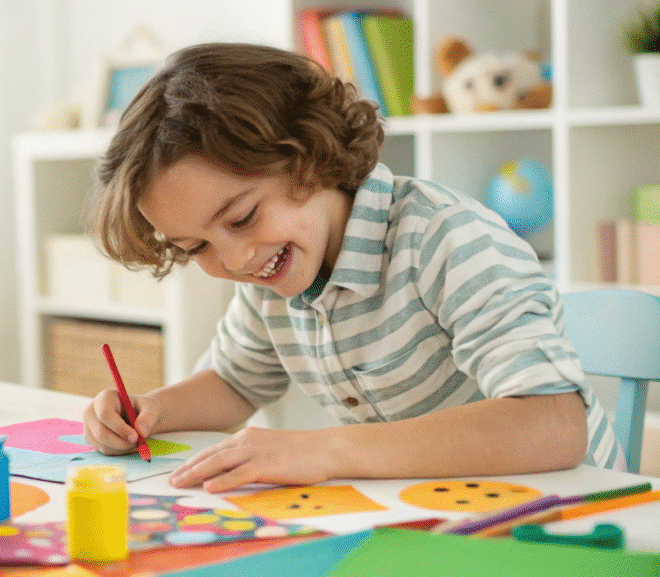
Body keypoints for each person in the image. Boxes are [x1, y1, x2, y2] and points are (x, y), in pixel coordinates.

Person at [81, 42, 622, 494]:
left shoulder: (443, 238)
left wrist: (325, 449)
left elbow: (552, 425)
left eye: (243, 217)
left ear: (309, 152)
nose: (233, 260)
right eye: (195, 246)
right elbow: (233, 382)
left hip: (573, 511)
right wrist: (151, 411)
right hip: (441, 507)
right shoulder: (272, 274)